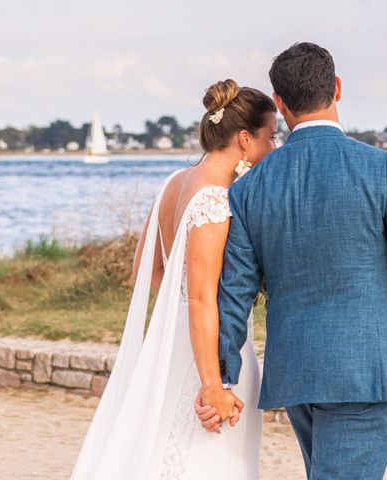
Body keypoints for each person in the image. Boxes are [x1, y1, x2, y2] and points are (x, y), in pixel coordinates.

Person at [197, 42, 387, 479]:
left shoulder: (250, 188)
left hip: (296, 373)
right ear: (336, 88)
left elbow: (233, 293)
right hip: (362, 373)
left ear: (279, 103)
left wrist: (225, 377)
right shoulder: (379, 168)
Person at [70, 79, 277, 479]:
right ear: (246, 139)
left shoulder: (173, 184)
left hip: (174, 346)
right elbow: (201, 298)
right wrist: (213, 385)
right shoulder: (215, 201)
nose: (274, 148)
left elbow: (149, 271)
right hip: (211, 356)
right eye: (271, 137)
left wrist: (178, 312)